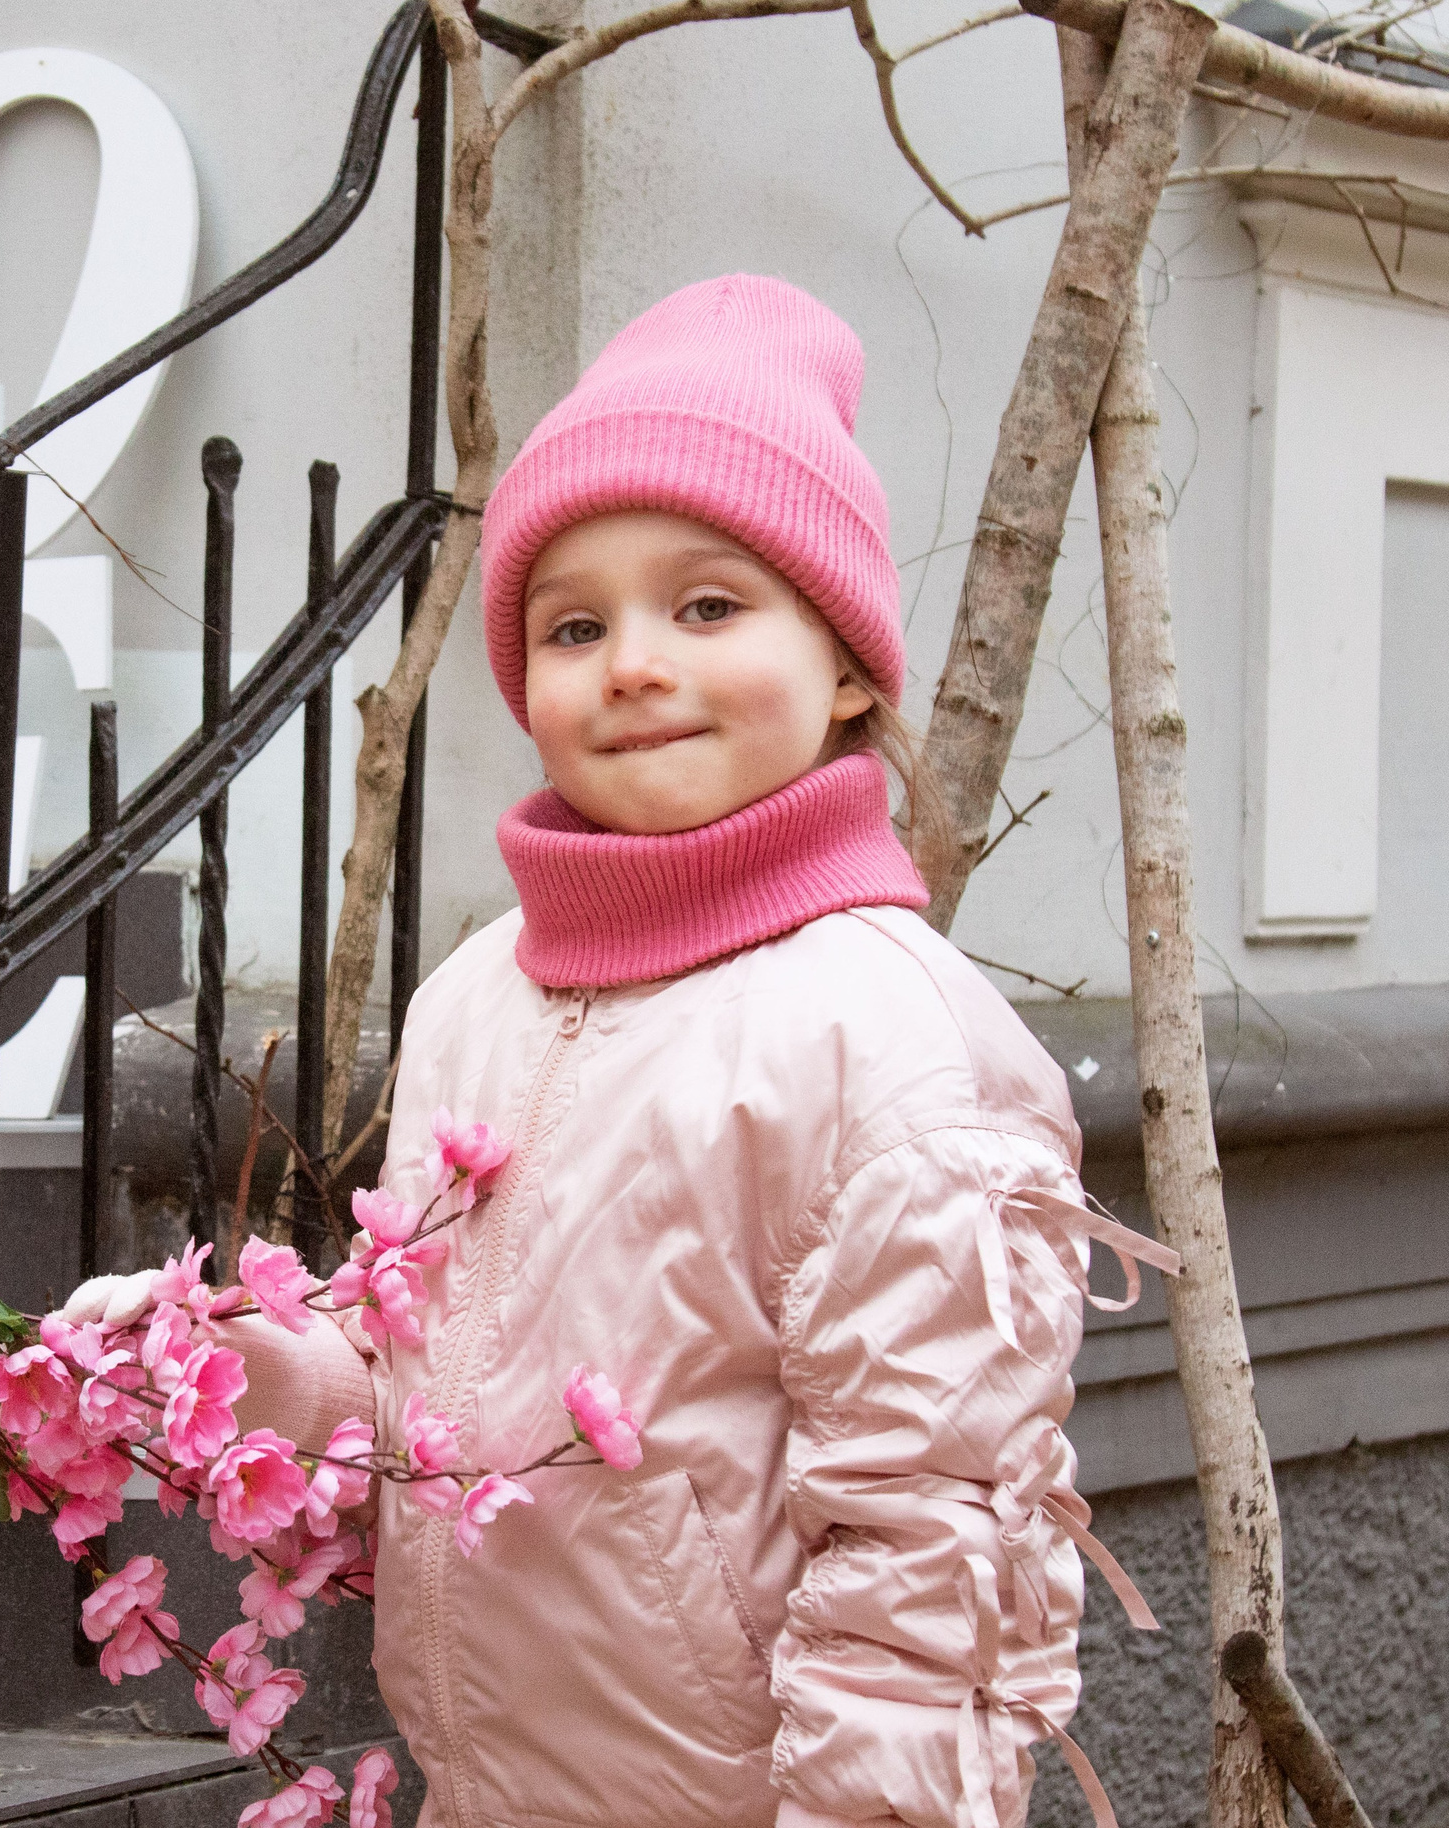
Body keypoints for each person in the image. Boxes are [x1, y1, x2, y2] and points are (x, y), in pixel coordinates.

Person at [67, 275, 1173, 1828]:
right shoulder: (474, 995)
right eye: (575, 625)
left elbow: (933, 1563)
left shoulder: (894, 1042)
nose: (635, 662)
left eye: (708, 606)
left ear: (848, 661)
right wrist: (264, 1375)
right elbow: (434, 1385)